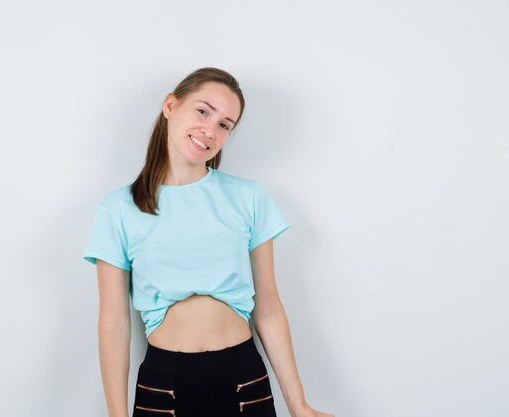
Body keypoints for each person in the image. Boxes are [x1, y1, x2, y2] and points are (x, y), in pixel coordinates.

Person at [83, 67, 334, 417]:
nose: (210, 130)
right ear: (171, 105)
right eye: (203, 111)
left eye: (225, 124)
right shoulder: (118, 209)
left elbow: (269, 308)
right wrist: (116, 415)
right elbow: (114, 323)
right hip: (163, 385)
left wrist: (299, 404)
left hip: (243, 379)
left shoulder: (248, 197)